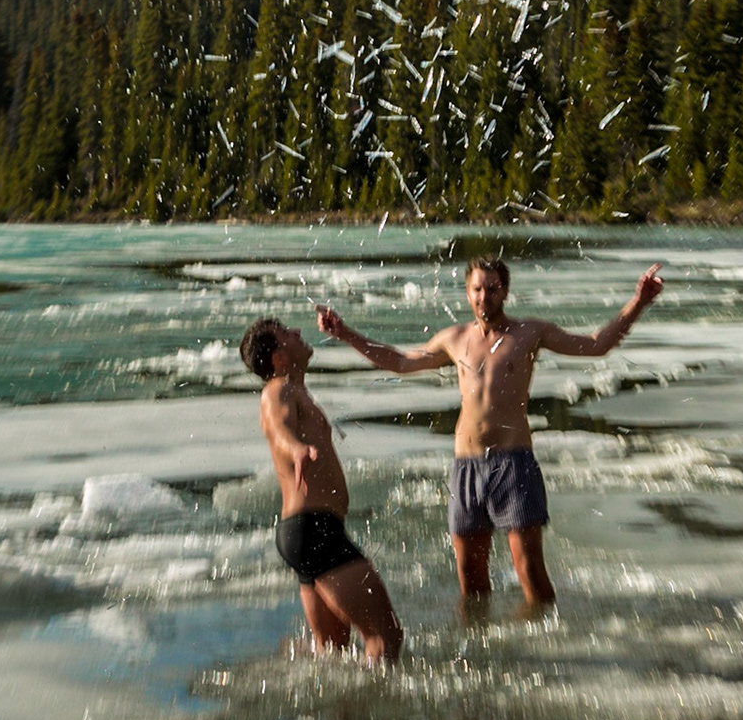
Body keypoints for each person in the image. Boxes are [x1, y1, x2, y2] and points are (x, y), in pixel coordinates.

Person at [316, 257, 664, 606]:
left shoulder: (529, 332)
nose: (485, 297)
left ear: (506, 292)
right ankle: (481, 649)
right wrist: (345, 334)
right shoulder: (454, 338)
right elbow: (400, 361)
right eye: (478, 289)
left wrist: (639, 302)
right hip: (466, 466)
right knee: (470, 580)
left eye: (493, 289)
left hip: (513, 464)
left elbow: (596, 344)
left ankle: (542, 642)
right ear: (468, 294)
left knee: (529, 569)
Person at [241, 316, 405, 664]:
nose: (298, 333)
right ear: (279, 359)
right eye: (287, 335)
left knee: (331, 653)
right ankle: (382, 712)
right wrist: (296, 448)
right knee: (385, 637)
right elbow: (277, 426)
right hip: (315, 530)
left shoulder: (295, 389)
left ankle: (339, 716)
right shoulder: (278, 390)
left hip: (305, 533)